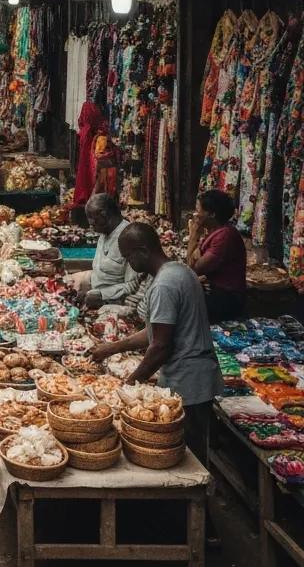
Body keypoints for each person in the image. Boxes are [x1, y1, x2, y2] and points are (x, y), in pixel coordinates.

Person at [91, 224, 223, 516]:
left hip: (188, 381)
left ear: (142, 251)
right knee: (190, 454)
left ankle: (199, 527)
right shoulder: (179, 271)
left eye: (128, 257)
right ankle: (186, 520)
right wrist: (112, 348)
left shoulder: (163, 285)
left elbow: (160, 346)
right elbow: (155, 333)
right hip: (196, 376)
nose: (128, 264)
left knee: (188, 462)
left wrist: (130, 384)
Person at [69, 194, 141, 309]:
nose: (92, 228)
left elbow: (133, 286)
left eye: (93, 223)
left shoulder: (129, 237)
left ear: (104, 215)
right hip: (95, 294)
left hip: (115, 305)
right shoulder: (104, 232)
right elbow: (101, 272)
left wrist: (102, 295)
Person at [187, 189, 247, 322]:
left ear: (212, 214)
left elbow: (194, 268)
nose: (195, 215)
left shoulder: (224, 236)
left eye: (198, 210)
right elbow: (192, 264)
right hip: (214, 291)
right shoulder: (214, 232)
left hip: (226, 298)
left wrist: (194, 235)